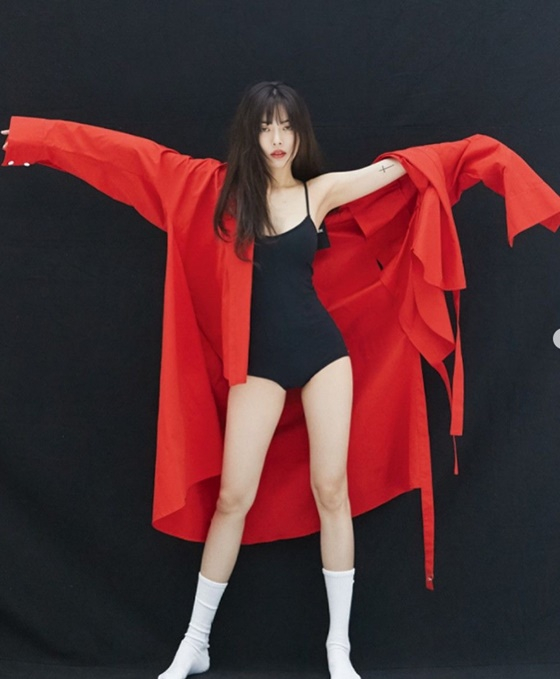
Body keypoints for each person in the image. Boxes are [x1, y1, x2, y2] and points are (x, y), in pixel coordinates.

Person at [1, 81, 406, 679]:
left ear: (300, 133)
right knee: (232, 499)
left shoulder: (318, 191)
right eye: (266, 127)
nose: (277, 139)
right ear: (250, 134)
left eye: (286, 126)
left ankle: (338, 650)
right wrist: (34, 140)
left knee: (332, 491)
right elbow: (131, 158)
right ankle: (195, 644)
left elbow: (406, 170)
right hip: (258, 364)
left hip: (323, 355)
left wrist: (473, 156)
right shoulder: (216, 193)